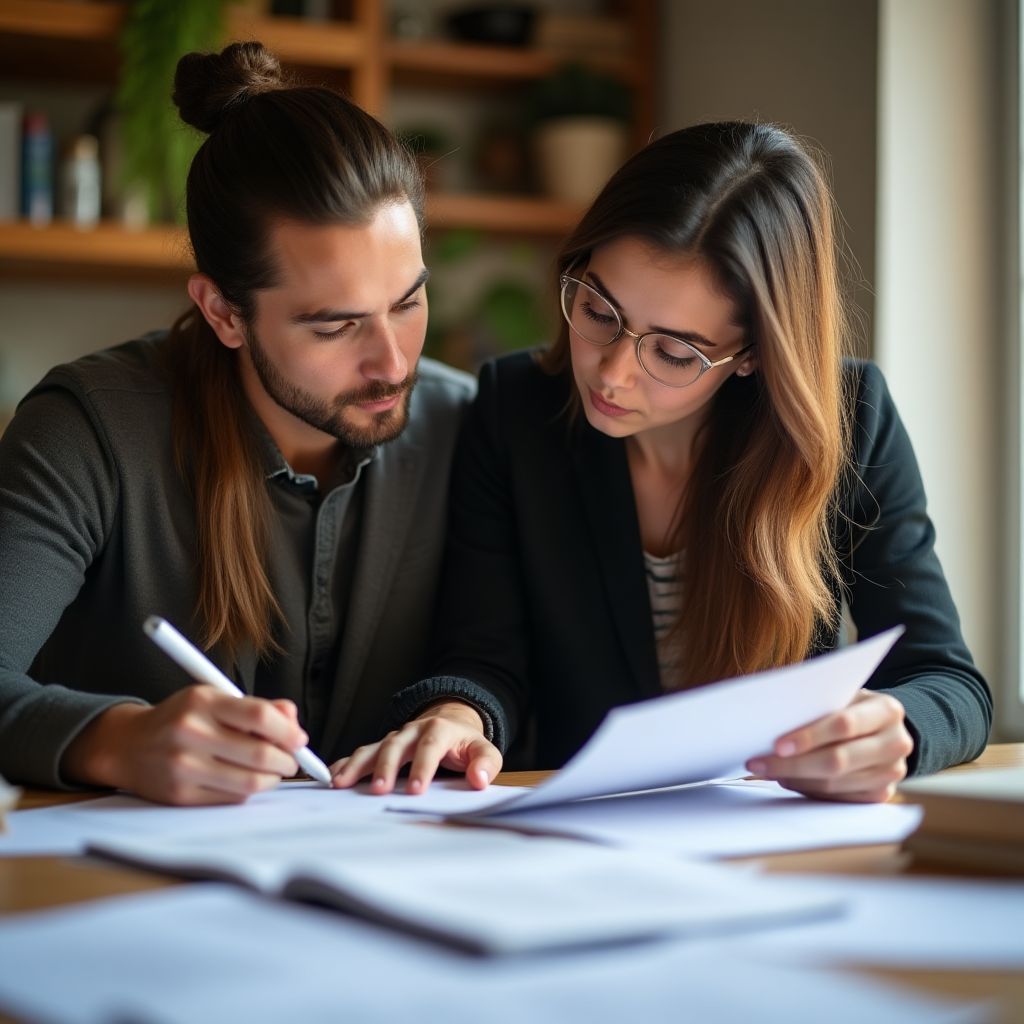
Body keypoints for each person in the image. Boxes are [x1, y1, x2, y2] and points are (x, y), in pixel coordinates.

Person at [333, 121, 993, 803]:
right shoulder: (516, 410)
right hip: (579, 830)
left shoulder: (849, 421)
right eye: (599, 311)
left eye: (674, 353)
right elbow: (483, 654)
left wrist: (895, 728)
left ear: (752, 355)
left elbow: (950, 682)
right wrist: (456, 715)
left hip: (772, 834)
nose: (613, 373)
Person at [0, 41, 475, 805]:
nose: (392, 362)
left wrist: (465, 709)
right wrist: (115, 741)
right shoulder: (87, 429)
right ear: (223, 312)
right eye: (335, 325)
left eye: (408, 302)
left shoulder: (464, 424)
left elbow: (506, 656)